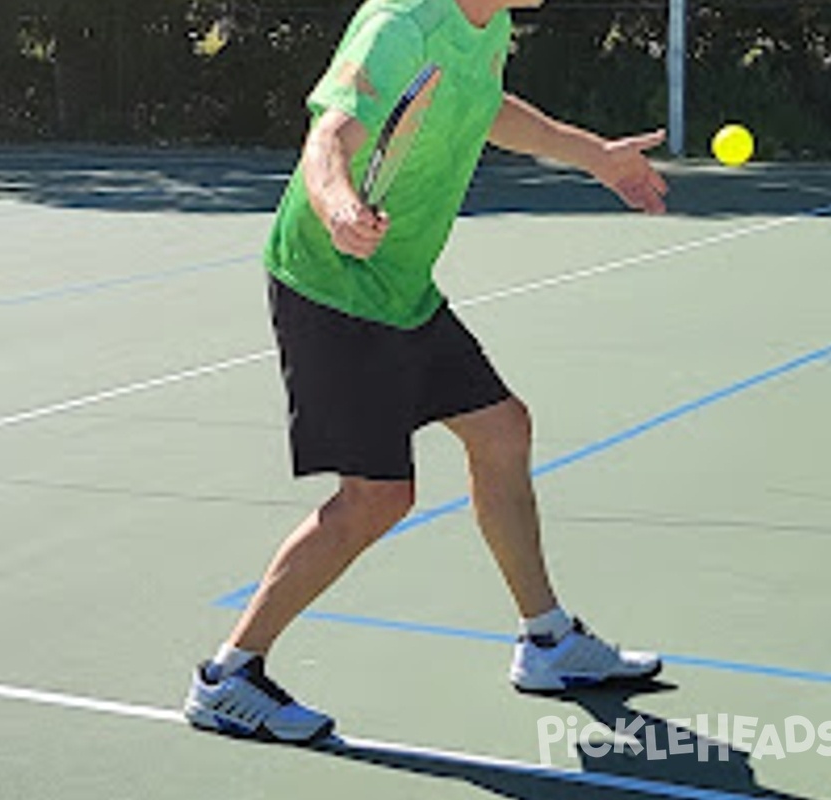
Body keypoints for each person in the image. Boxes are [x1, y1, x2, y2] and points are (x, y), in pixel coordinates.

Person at [184, 0, 669, 745]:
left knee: (503, 430)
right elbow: (328, 138)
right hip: (330, 288)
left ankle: (546, 642)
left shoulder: (488, 25)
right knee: (376, 498)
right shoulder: (398, 26)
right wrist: (339, 203)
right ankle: (228, 678)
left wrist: (596, 156)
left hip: (402, 289)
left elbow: (485, 108)